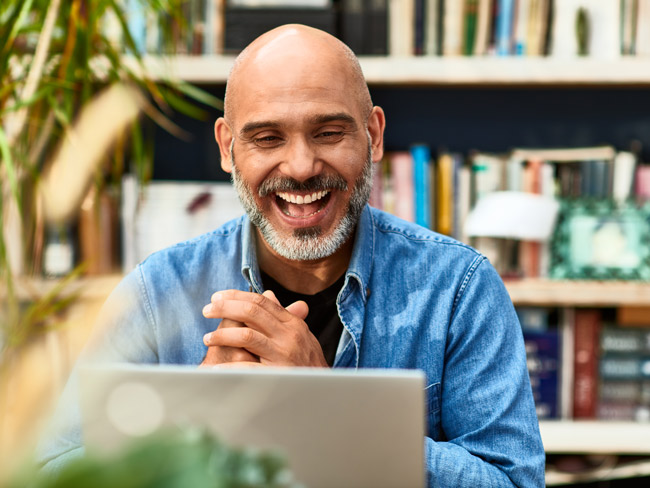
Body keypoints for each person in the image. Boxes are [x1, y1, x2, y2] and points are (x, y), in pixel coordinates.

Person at [38, 24, 545, 487]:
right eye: (267, 138)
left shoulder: (459, 288)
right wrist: (187, 426)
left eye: (328, 132)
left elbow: (515, 483)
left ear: (374, 135)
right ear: (226, 147)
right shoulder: (157, 292)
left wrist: (327, 410)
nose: (301, 167)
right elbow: (52, 474)